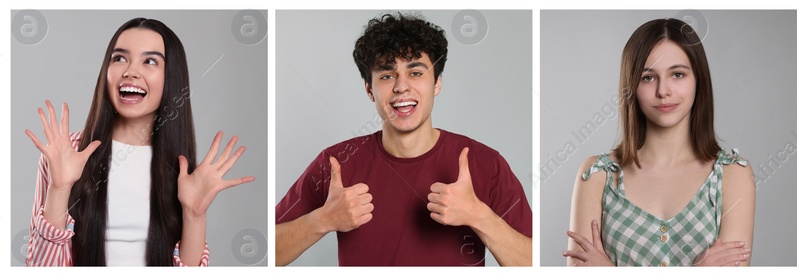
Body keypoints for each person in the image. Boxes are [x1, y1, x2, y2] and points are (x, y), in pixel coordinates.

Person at [273, 13, 533, 266]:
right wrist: (323, 220)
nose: (401, 86)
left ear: (437, 83)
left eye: (416, 73)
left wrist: (480, 217)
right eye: (386, 75)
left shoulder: (486, 163)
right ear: (369, 90)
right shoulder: (336, 164)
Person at [24, 17, 255, 266]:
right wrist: (59, 189)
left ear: (171, 78)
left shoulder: (183, 171)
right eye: (119, 58)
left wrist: (194, 216)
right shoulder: (67, 151)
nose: (131, 72)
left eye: (150, 61)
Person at [562, 18, 756, 267]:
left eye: (677, 74)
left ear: (698, 79)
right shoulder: (596, 175)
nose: (663, 90)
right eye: (648, 78)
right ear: (630, 86)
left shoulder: (734, 174)